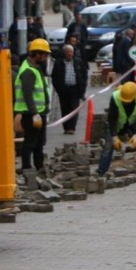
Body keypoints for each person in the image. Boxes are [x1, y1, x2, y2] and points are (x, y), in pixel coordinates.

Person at [14, 38, 52, 173]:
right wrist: (34, 112)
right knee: (31, 142)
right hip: (31, 114)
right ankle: (26, 167)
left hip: (38, 112)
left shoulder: (34, 68)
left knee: (39, 142)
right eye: (44, 55)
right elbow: (27, 94)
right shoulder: (28, 71)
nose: (46, 58)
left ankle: (39, 166)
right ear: (37, 54)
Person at [96, 80, 136, 175]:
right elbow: (112, 119)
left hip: (134, 123)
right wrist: (114, 137)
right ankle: (101, 171)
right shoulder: (115, 97)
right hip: (118, 124)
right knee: (108, 145)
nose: (126, 103)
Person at [51, 41, 89, 135]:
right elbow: (54, 77)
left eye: (70, 52)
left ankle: (72, 127)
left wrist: (82, 88)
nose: (69, 53)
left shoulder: (79, 62)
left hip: (75, 89)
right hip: (63, 89)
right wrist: (58, 89)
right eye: (67, 52)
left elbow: (84, 75)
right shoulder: (59, 63)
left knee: (73, 108)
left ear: (73, 53)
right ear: (64, 53)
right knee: (64, 109)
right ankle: (66, 127)